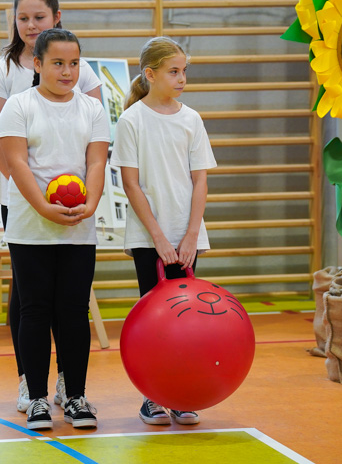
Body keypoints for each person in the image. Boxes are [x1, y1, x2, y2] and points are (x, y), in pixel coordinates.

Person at [0, 0, 103, 414]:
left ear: (56, 17)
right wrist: (32, 194)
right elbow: (0, 143)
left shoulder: (79, 72)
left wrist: (76, 198)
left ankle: (71, 385)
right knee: (29, 296)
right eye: (23, 18)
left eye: (40, 17)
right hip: (23, 196)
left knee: (69, 302)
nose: (31, 25)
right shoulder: (4, 74)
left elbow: (94, 147)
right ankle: (28, 385)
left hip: (72, 203)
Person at [0, 28, 109, 430]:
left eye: (74, 63)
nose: (67, 71)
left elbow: (96, 163)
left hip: (78, 227)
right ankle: (39, 399)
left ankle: (76, 396)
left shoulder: (92, 110)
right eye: (58, 63)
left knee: (74, 311)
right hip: (30, 227)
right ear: (38, 64)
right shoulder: (18, 106)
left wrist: (91, 204)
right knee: (35, 309)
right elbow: (18, 165)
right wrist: (43, 206)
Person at [109, 36, 217, 426]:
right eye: (174, 71)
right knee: (155, 322)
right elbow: (131, 184)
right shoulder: (132, 120)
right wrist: (157, 237)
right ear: (150, 74)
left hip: (186, 238)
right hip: (148, 239)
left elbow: (200, 182)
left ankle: (181, 395)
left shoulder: (192, 120)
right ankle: (152, 397)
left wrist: (190, 236)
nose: (182, 78)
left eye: (184, 70)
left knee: (187, 321)